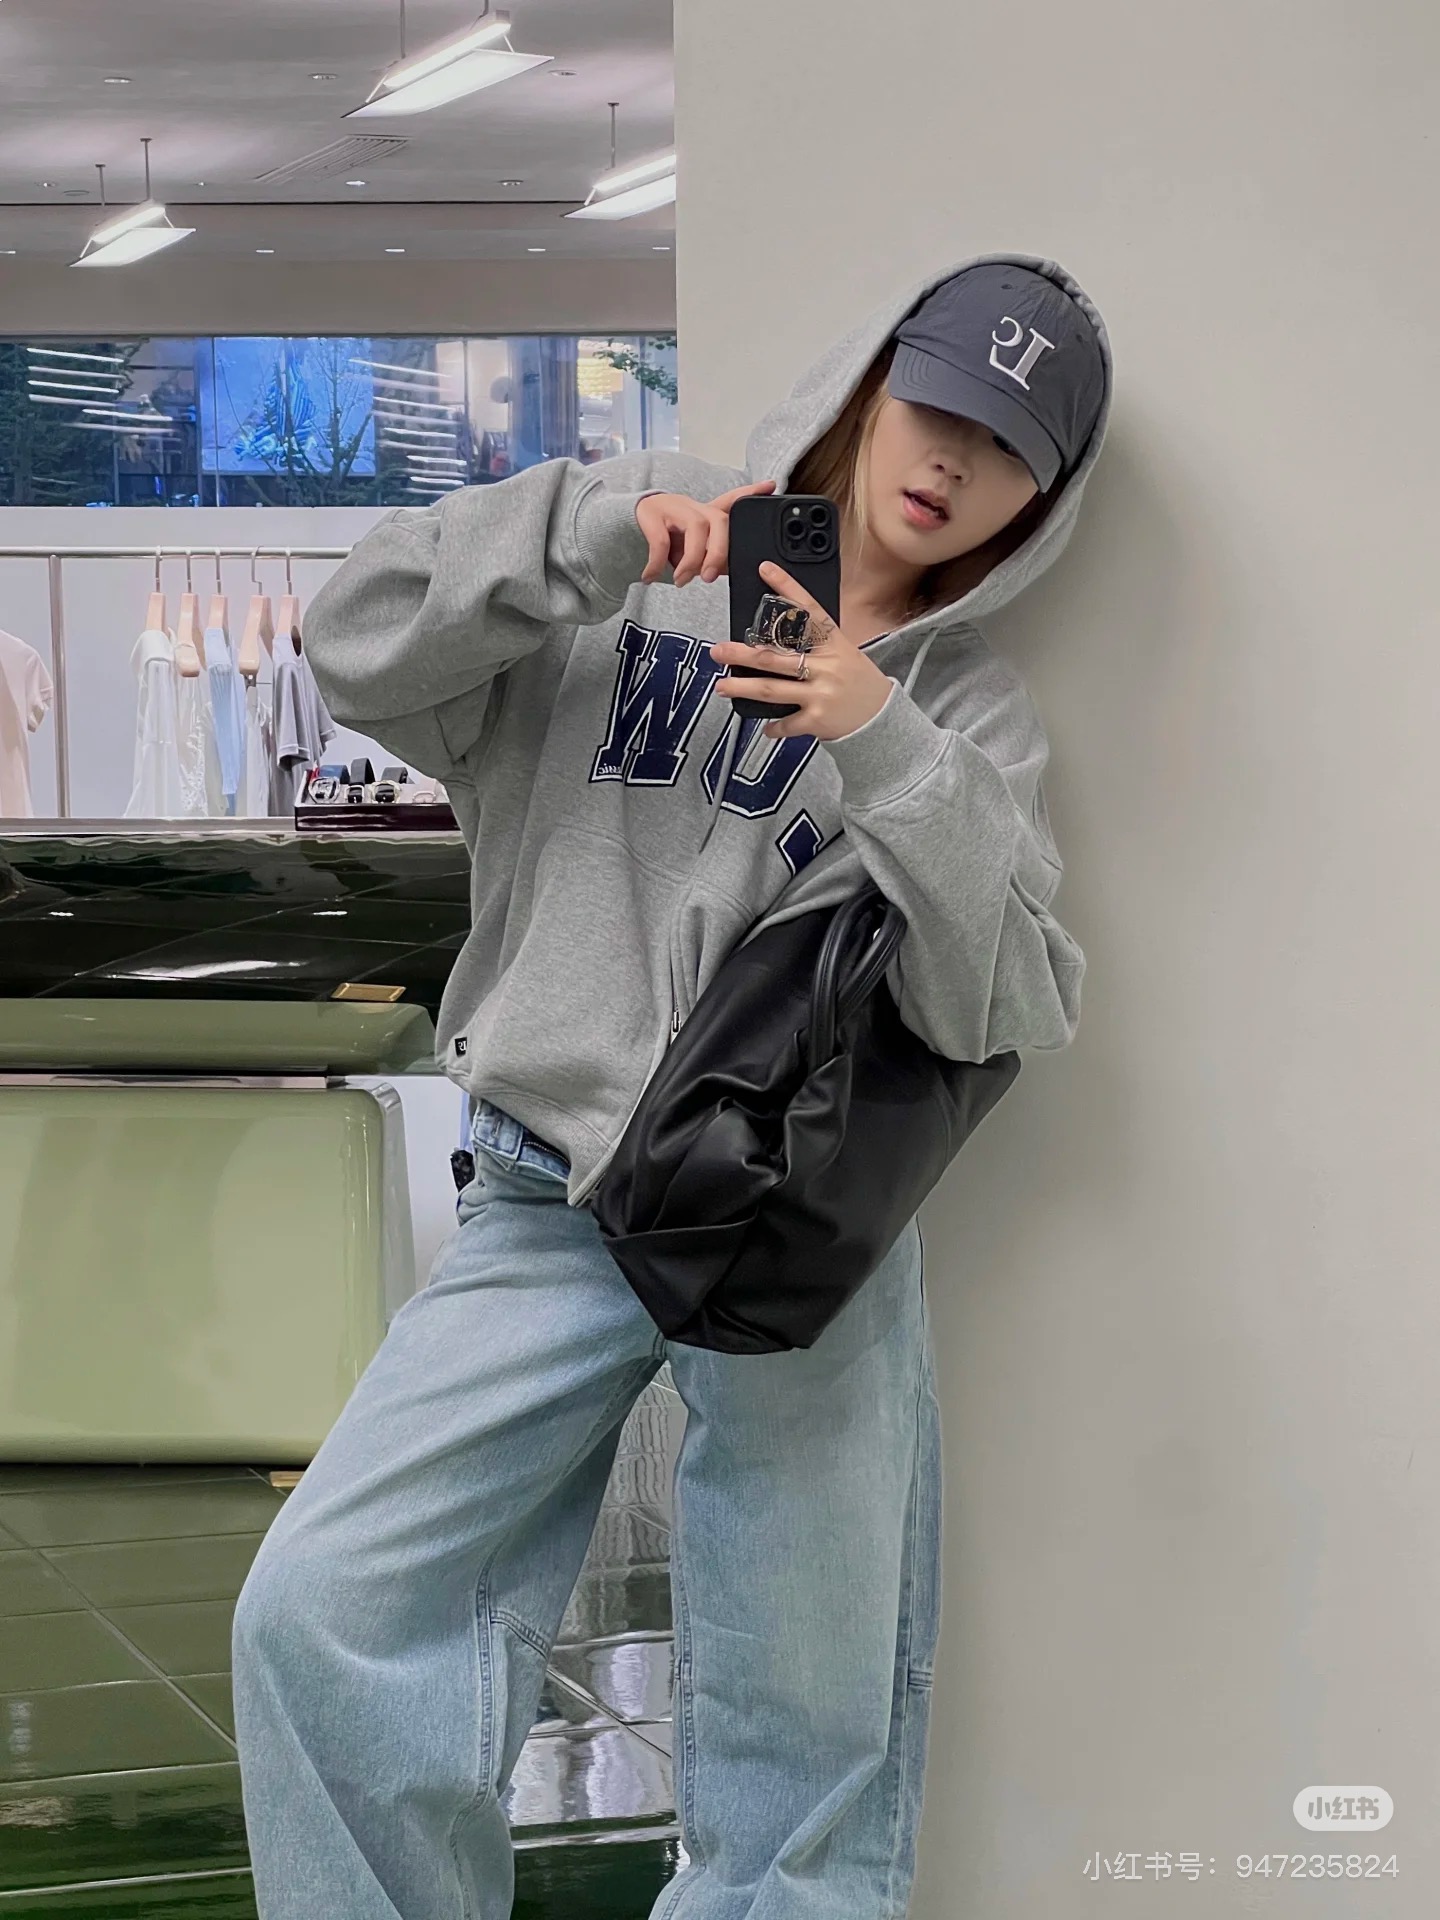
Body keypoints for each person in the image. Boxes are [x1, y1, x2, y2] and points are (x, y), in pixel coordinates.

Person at [231, 251, 1112, 1919]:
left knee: (803, 1740)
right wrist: (582, 538)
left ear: (1042, 498)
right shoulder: (645, 534)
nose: (951, 462)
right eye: (936, 406)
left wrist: (880, 741)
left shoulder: (969, 714)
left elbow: (1002, 1000)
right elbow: (354, 647)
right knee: (324, 1612)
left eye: (1008, 448)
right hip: (550, 1198)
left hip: (801, 1251)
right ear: (872, 382)